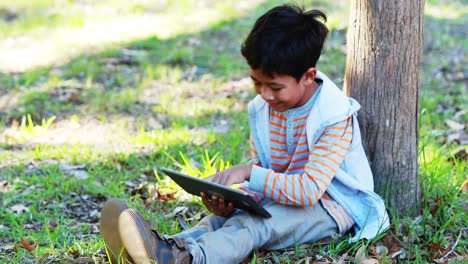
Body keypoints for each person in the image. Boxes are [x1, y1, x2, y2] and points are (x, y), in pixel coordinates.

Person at [99, 4, 390, 264]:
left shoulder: (333, 115)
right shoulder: (262, 109)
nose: (265, 94)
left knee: (253, 227)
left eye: (274, 87)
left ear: (308, 76)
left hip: (331, 207)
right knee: (218, 221)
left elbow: (308, 191)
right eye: (256, 83)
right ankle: (155, 249)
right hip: (285, 199)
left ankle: (185, 259)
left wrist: (248, 173)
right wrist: (232, 201)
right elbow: (267, 172)